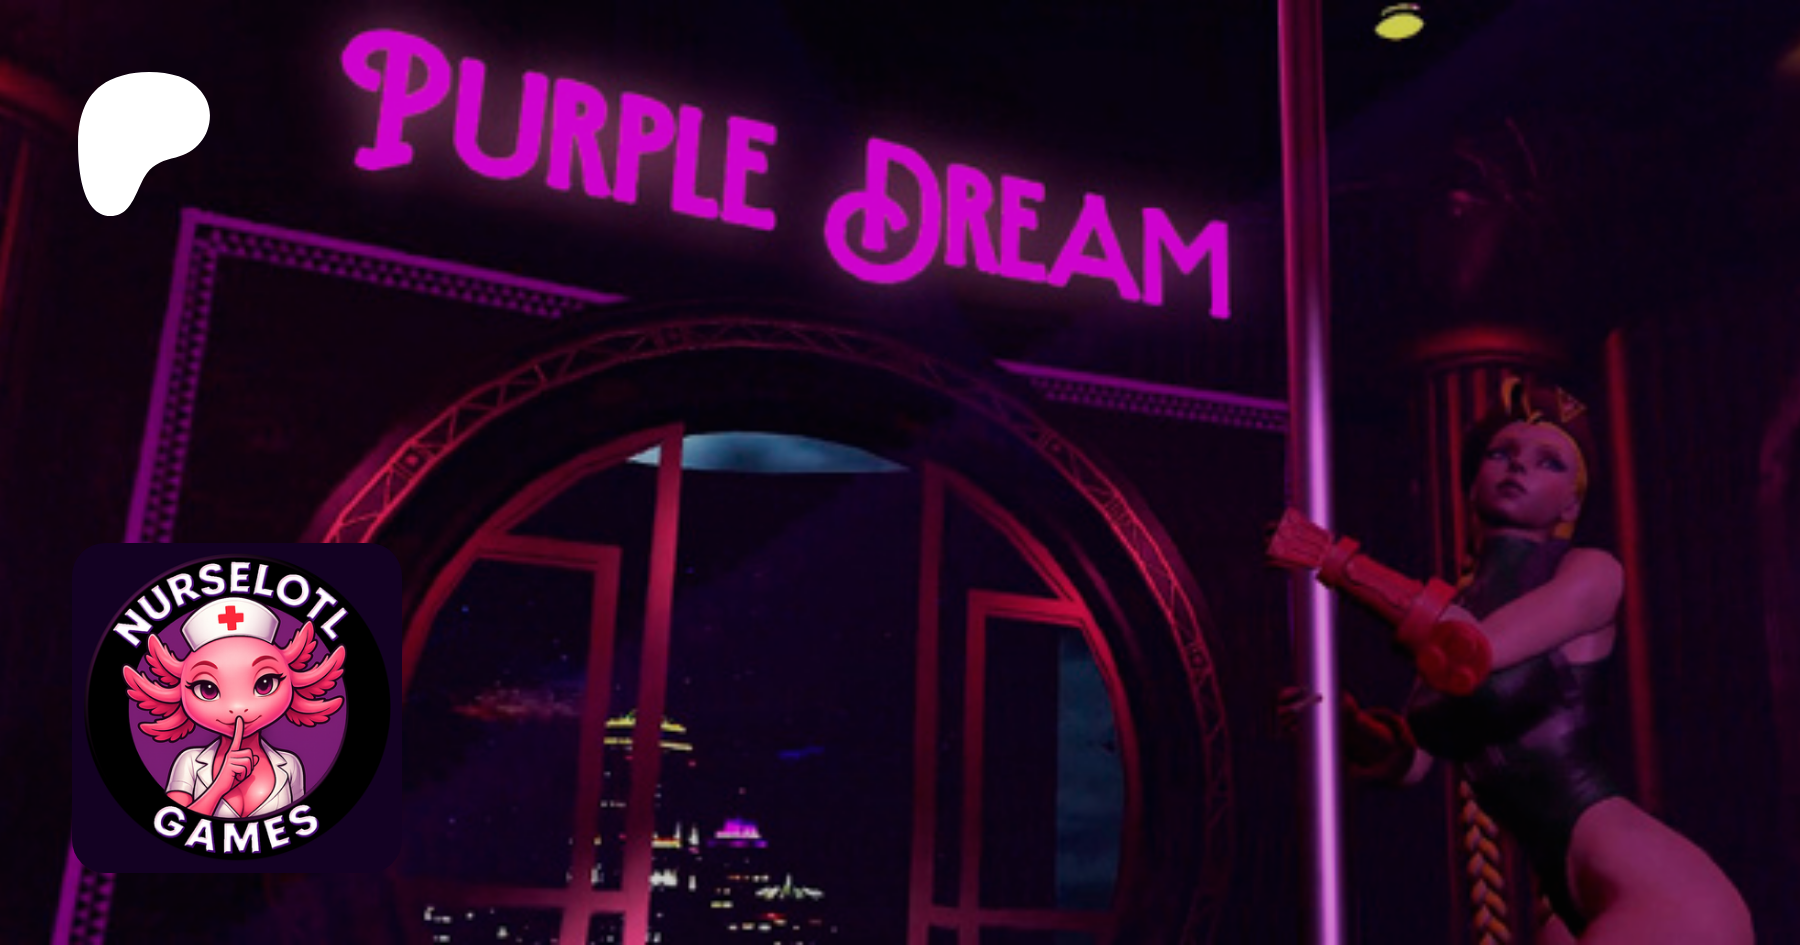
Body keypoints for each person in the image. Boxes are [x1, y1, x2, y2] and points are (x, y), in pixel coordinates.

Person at [1270, 375, 1753, 944]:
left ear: (1572, 501)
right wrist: (1343, 726)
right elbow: (1412, 761)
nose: (1518, 466)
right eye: (1501, 453)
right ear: (1473, 480)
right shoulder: (1456, 608)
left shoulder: (1589, 573)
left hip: (1661, 891)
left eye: (1549, 462)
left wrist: (1338, 563)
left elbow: (1478, 649)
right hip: (1572, 902)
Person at [122, 596, 347, 818]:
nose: (238, 706)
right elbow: (172, 822)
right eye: (207, 689)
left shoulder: (290, 766)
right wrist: (219, 786)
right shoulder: (189, 762)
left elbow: (300, 818)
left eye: (265, 683)